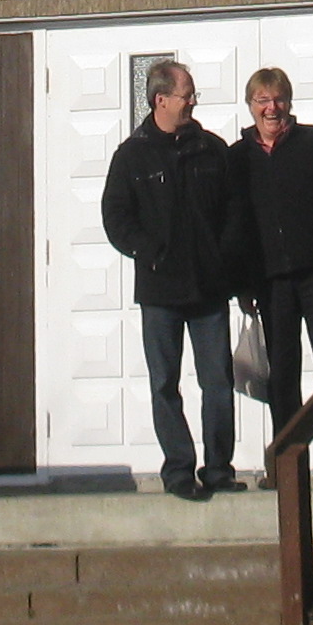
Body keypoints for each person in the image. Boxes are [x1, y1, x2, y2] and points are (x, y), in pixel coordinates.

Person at [98, 60, 251, 499]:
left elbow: (234, 213)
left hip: (209, 289)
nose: (193, 102)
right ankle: (179, 469)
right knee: (164, 383)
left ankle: (218, 469)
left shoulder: (212, 150)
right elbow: (116, 216)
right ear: (160, 99)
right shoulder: (132, 155)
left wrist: (225, 260)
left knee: (217, 382)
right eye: (187, 95)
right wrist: (150, 251)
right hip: (160, 290)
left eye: (194, 94)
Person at [226, 66, 313, 430]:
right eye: (262, 100)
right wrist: (241, 284)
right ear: (250, 105)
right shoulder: (236, 159)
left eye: (279, 99)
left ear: (290, 102)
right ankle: (288, 457)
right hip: (270, 283)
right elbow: (233, 225)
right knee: (281, 376)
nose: (272, 108)